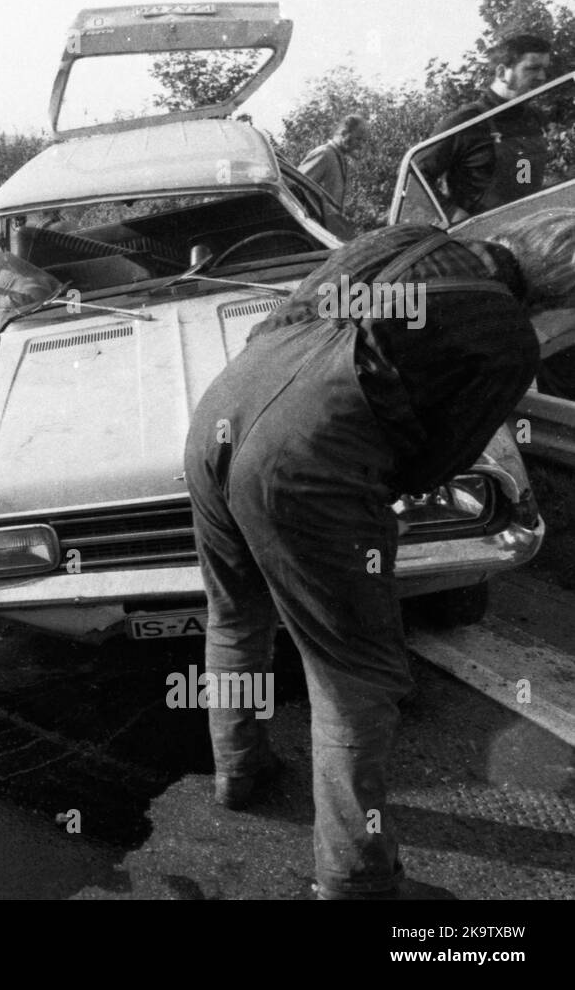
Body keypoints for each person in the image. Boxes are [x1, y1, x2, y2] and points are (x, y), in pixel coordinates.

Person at [182, 209, 575, 900]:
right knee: (354, 677)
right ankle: (355, 879)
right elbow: (436, 462)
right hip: (307, 461)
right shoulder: (509, 339)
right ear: (560, 297)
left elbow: (282, 318)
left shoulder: (404, 237)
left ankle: (239, 769)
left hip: (222, 411)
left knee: (236, 614)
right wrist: (362, 485)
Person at [415, 33, 551, 224]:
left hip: (530, 227)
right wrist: (451, 213)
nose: (542, 77)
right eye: (532, 69)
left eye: (544, 69)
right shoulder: (466, 121)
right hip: (480, 234)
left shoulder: (533, 118)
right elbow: (414, 175)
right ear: (502, 73)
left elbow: (524, 175)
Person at [297, 114, 368, 210]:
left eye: (363, 141)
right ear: (344, 133)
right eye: (358, 139)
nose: (361, 145)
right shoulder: (325, 154)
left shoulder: (340, 160)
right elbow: (296, 187)